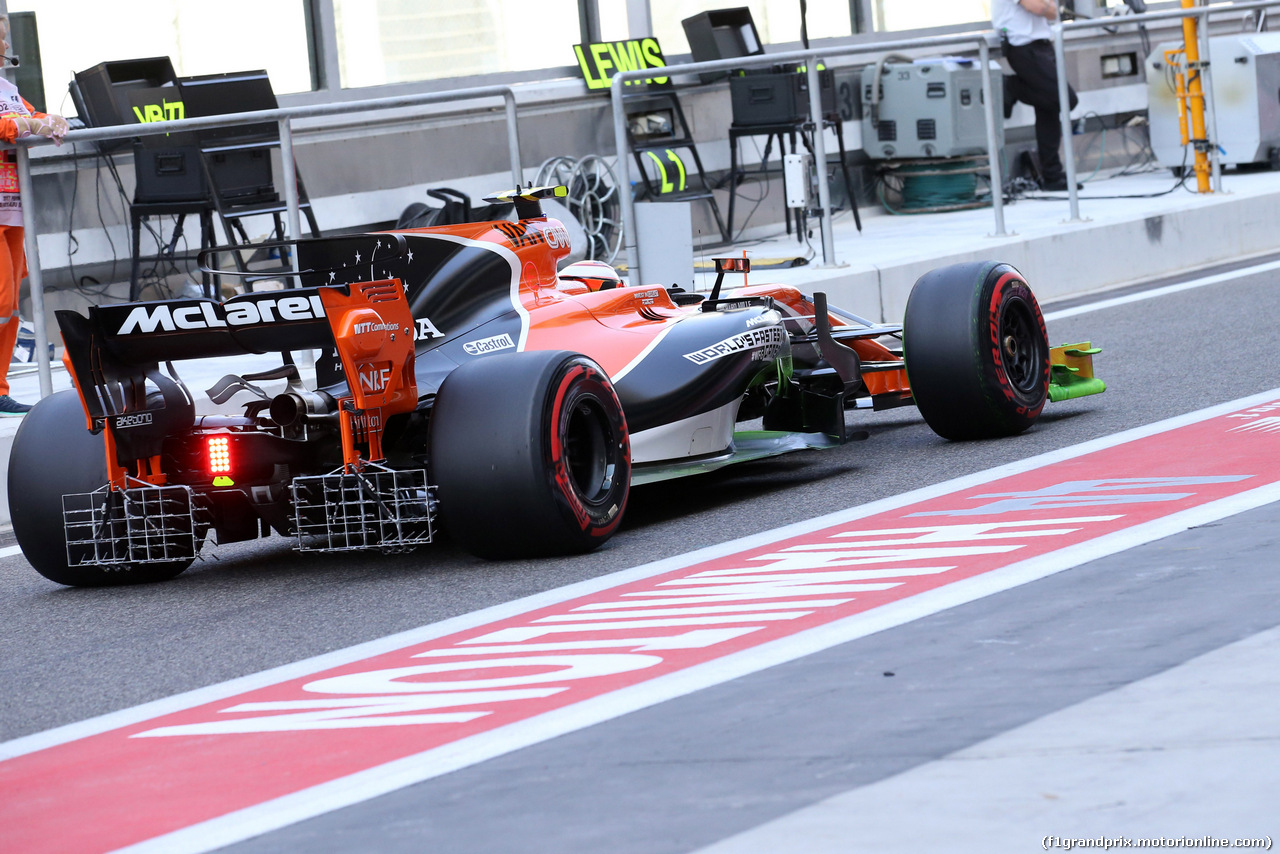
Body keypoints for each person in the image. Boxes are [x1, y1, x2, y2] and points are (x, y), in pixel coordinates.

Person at [0, 12, 67, 415]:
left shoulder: (7, 88)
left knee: (9, 306)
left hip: (12, 207)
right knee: (1, 300)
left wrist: (49, 120)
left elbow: (31, 116)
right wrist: (26, 123)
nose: (6, 45)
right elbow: (9, 125)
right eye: (0, 38)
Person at [992, 0, 1080, 192]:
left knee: (1049, 109)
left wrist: (1047, 8)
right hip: (1023, 47)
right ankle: (1011, 86)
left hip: (1041, 46)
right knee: (1066, 100)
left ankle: (1052, 176)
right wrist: (1047, 7)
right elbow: (1039, 8)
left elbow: (1051, 13)